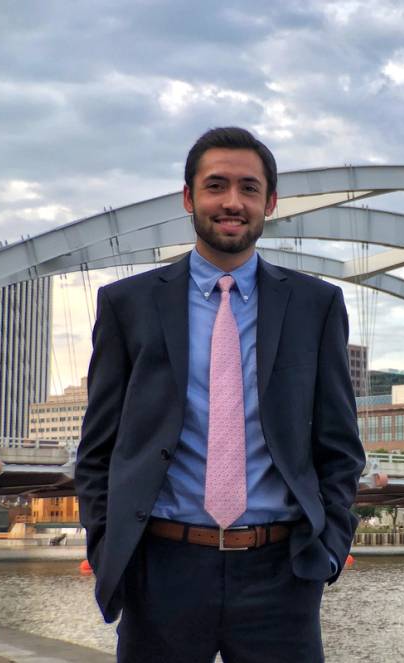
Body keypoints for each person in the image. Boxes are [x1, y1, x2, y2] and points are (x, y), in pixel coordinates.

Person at [75, 126, 365, 662]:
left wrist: (328, 550)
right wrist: (107, 546)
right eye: (216, 186)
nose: (232, 202)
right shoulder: (128, 304)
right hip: (162, 568)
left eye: (249, 189)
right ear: (188, 197)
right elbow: (98, 449)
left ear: (269, 203)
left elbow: (340, 446)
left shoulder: (315, 305)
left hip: (281, 573)